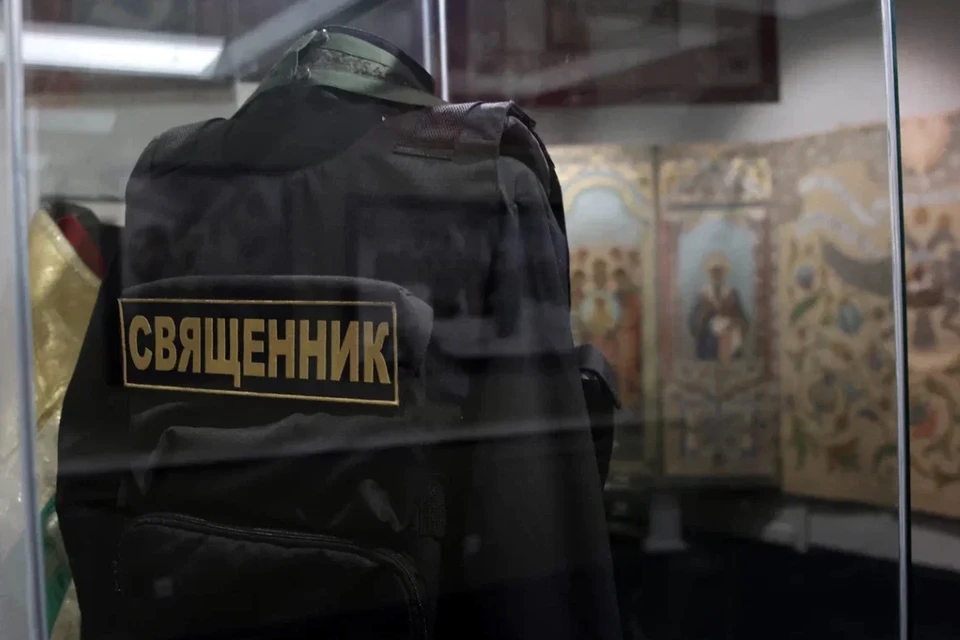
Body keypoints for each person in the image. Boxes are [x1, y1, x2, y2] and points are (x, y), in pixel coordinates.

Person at [688, 251, 748, 362]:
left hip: (730, 339)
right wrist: (706, 320)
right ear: (709, 273)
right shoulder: (702, 295)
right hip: (707, 340)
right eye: (714, 271)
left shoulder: (732, 294)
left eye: (719, 271)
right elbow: (693, 322)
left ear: (723, 273)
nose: (716, 274)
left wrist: (732, 323)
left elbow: (743, 320)